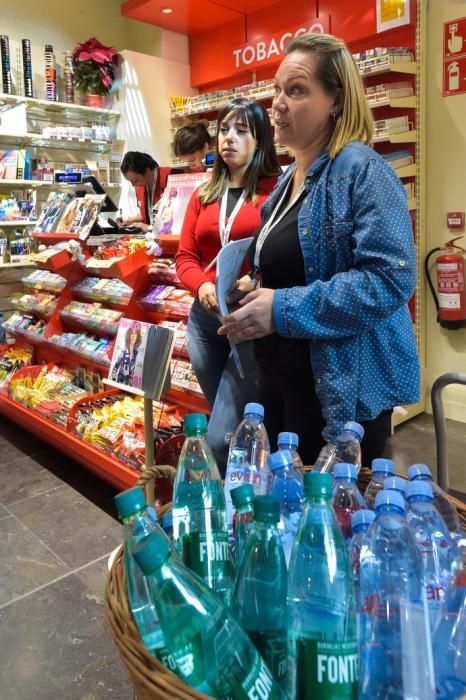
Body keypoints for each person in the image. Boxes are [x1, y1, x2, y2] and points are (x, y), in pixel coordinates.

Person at [218, 33, 420, 468]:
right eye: (277, 89)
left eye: (296, 90)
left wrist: (282, 308)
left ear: (336, 101)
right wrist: (254, 285)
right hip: (281, 380)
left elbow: (390, 279)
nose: (277, 104)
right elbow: (293, 264)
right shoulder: (288, 180)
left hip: (337, 394)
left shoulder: (363, 170)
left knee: (331, 520)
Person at [175, 97, 282, 470]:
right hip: (205, 322)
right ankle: (244, 497)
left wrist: (257, 279)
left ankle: (236, 502)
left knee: (221, 435)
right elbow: (185, 257)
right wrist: (200, 287)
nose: (229, 139)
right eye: (224, 129)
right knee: (237, 425)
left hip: (247, 322)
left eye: (241, 130)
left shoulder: (277, 190)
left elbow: (283, 256)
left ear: (261, 139)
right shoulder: (205, 193)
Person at [118, 151, 180, 232]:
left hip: (170, 234)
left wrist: (149, 227)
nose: (133, 185)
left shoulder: (171, 177)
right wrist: (130, 220)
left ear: (147, 171)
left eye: (135, 180)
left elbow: (176, 215)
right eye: (131, 182)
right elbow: (148, 212)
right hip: (151, 236)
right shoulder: (141, 185)